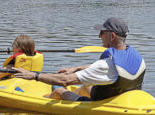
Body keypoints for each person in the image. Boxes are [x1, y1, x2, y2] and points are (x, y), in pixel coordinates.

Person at [13, 17, 145, 101]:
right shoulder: (137, 57)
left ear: (112, 36)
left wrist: (33, 75)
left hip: (103, 105)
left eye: (102, 33)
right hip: (122, 98)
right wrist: (77, 68)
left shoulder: (105, 66)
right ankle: (75, 94)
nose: (99, 36)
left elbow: (65, 80)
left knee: (59, 90)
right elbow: (111, 68)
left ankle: (46, 99)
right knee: (86, 85)